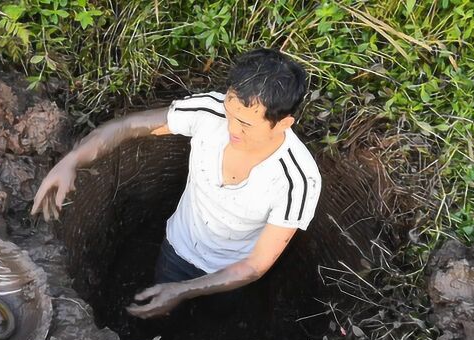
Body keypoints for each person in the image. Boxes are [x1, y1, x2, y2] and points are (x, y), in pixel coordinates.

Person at [31, 48, 321, 319]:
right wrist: (72, 160)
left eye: (246, 125)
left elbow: (255, 266)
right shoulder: (210, 112)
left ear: (283, 123)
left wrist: (183, 291)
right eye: (231, 114)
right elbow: (127, 127)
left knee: (216, 317)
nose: (232, 128)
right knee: (161, 310)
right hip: (178, 247)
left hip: (231, 273)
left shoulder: (296, 180)